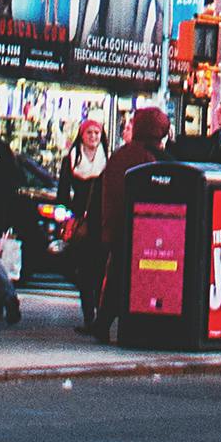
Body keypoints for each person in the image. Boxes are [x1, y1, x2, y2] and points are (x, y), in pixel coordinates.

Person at [86, 104, 168, 338]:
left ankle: (102, 322)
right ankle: (132, 325)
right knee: (137, 279)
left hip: (115, 227)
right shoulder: (151, 158)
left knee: (114, 278)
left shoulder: (120, 155)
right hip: (142, 232)